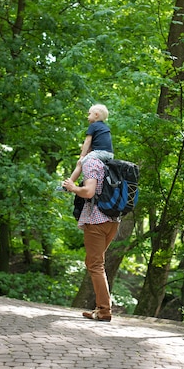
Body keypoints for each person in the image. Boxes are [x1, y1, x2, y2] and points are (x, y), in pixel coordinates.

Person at [62, 155, 120, 322]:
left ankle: (104, 310)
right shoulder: (107, 163)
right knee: (95, 263)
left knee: (95, 265)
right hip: (113, 221)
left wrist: (72, 187)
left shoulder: (92, 162)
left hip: (96, 221)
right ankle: (100, 308)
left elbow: (88, 192)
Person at [67, 103, 114, 185]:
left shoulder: (93, 126)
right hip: (109, 154)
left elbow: (87, 141)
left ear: (96, 115)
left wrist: (82, 156)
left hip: (100, 153)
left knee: (81, 163)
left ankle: (69, 184)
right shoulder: (105, 127)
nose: (87, 117)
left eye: (89, 114)